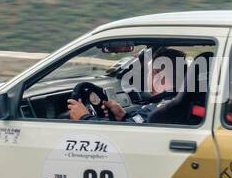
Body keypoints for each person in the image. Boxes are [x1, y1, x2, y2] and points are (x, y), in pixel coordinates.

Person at [66, 46, 204, 124]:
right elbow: (135, 124)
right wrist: (123, 115)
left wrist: (84, 117)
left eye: (149, 72)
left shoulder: (158, 109)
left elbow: (117, 138)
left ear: (158, 74)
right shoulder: (182, 100)